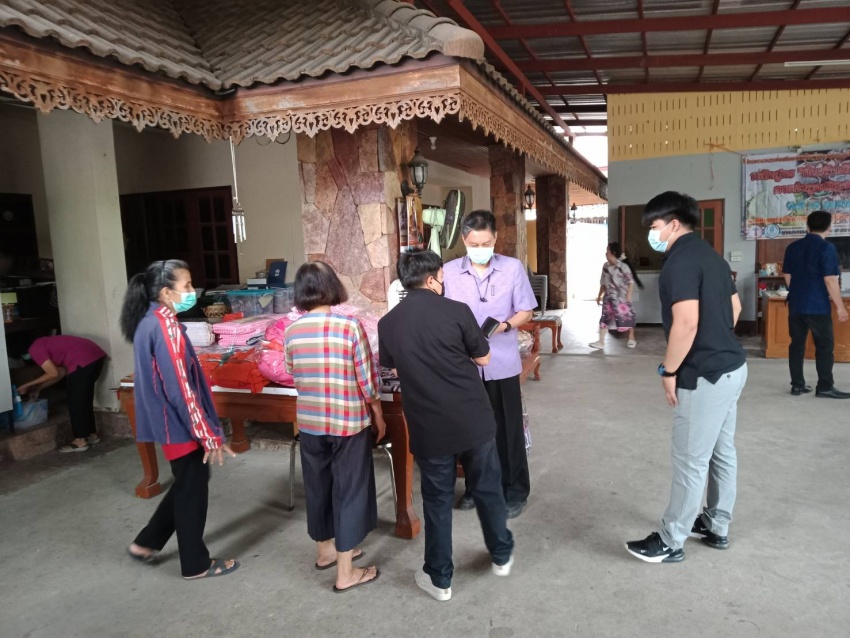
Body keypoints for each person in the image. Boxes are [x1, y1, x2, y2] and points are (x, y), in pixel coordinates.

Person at [378, 249, 514, 602]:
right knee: (487, 487)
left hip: (429, 425)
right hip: (472, 418)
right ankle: (501, 555)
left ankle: (440, 579)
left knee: (437, 500)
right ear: (432, 279)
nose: (444, 281)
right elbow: (483, 358)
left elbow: (393, 368)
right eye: (442, 276)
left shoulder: (387, 323)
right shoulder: (457, 311)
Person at [625, 191, 747, 564]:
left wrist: (670, 369)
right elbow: (736, 308)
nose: (652, 233)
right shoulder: (711, 256)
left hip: (704, 376)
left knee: (691, 459)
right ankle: (716, 524)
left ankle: (670, 540)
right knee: (721, 452)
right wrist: (718, 339)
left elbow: (687, 323)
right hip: (732, 368)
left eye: (655, 226)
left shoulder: (679, 262)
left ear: (674, 224)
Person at [120, 259, 239, 580]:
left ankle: (146, 542)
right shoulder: (165, 326)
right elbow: (181, 389)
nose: (192, 291)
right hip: (176, 421)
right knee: (192, 487)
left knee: (189, 481)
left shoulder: (150, 319)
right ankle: (195, 564)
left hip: (167, 419)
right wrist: (208, 434)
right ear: (166, 292)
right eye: (186, 286)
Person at [284, 261, 384, 593]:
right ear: (332, 286)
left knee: (318, 487)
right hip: (347, 422)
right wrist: (378, 414)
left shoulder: (292, 331)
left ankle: (325, 550)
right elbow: (367, 383)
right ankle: (346, 573)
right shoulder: (350, 327)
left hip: (310, 422)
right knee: (349, 490)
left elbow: (291, 371)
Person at [443, 210, 537, 519]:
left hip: (501, 363)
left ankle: (515, 491)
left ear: (495, 239)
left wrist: (507, 325)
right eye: (474, 244)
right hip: (464, 366)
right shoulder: (449, 272)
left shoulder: (511, 268)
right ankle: (475, 486)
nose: (480, 249)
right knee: (470, 430)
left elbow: (526, 310)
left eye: (486, 243)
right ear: (464, 240)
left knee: (507, 429)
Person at [782, 211, 850, 398]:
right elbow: (830, 280)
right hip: (817, 306)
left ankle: (797, 385)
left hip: (796, 305)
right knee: (824, 346)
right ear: (829, 227)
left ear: (807, 226)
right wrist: (840, 306)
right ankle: (825, 387)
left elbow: (787, 275)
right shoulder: (826, 248)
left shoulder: (792, 247)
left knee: (796, 345)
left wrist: (797, 293)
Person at [17, 335, 107, 452]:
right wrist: (38, 388)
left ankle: (80, 441)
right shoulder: (42, 343)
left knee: (76, 402)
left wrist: (27, 384)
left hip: (82, 359)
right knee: (84, 398)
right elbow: (60, 372)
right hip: (95, 356)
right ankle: (91, 435)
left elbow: (53, 373)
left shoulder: (34, 349)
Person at [589, 242, 644, 350]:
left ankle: (631, 338)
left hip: (621, 298)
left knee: (627, 317)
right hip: (609, 297)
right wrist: (599, 296)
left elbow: (630, 281)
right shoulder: (605, 266)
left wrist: (628, 295)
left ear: (613, 253)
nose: (606, 253)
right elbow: (603, 283)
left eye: (607, 251)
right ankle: (601, 342)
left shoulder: (623, 267)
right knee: (605, 318)